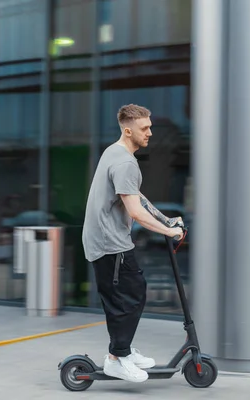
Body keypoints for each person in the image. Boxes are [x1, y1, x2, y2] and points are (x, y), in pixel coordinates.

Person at [82, 104, 185, 383]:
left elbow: (136, 197)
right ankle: (117, 359)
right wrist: (169, 232)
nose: (150, 132)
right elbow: (136, 212)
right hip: (109, 243)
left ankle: (122, 352)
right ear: (128, 130)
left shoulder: (115, 152)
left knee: (130, 294)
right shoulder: (125, 163)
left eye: (149, 126)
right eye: (145, 128)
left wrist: (166, 219)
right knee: (127, 298)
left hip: (107, 239)